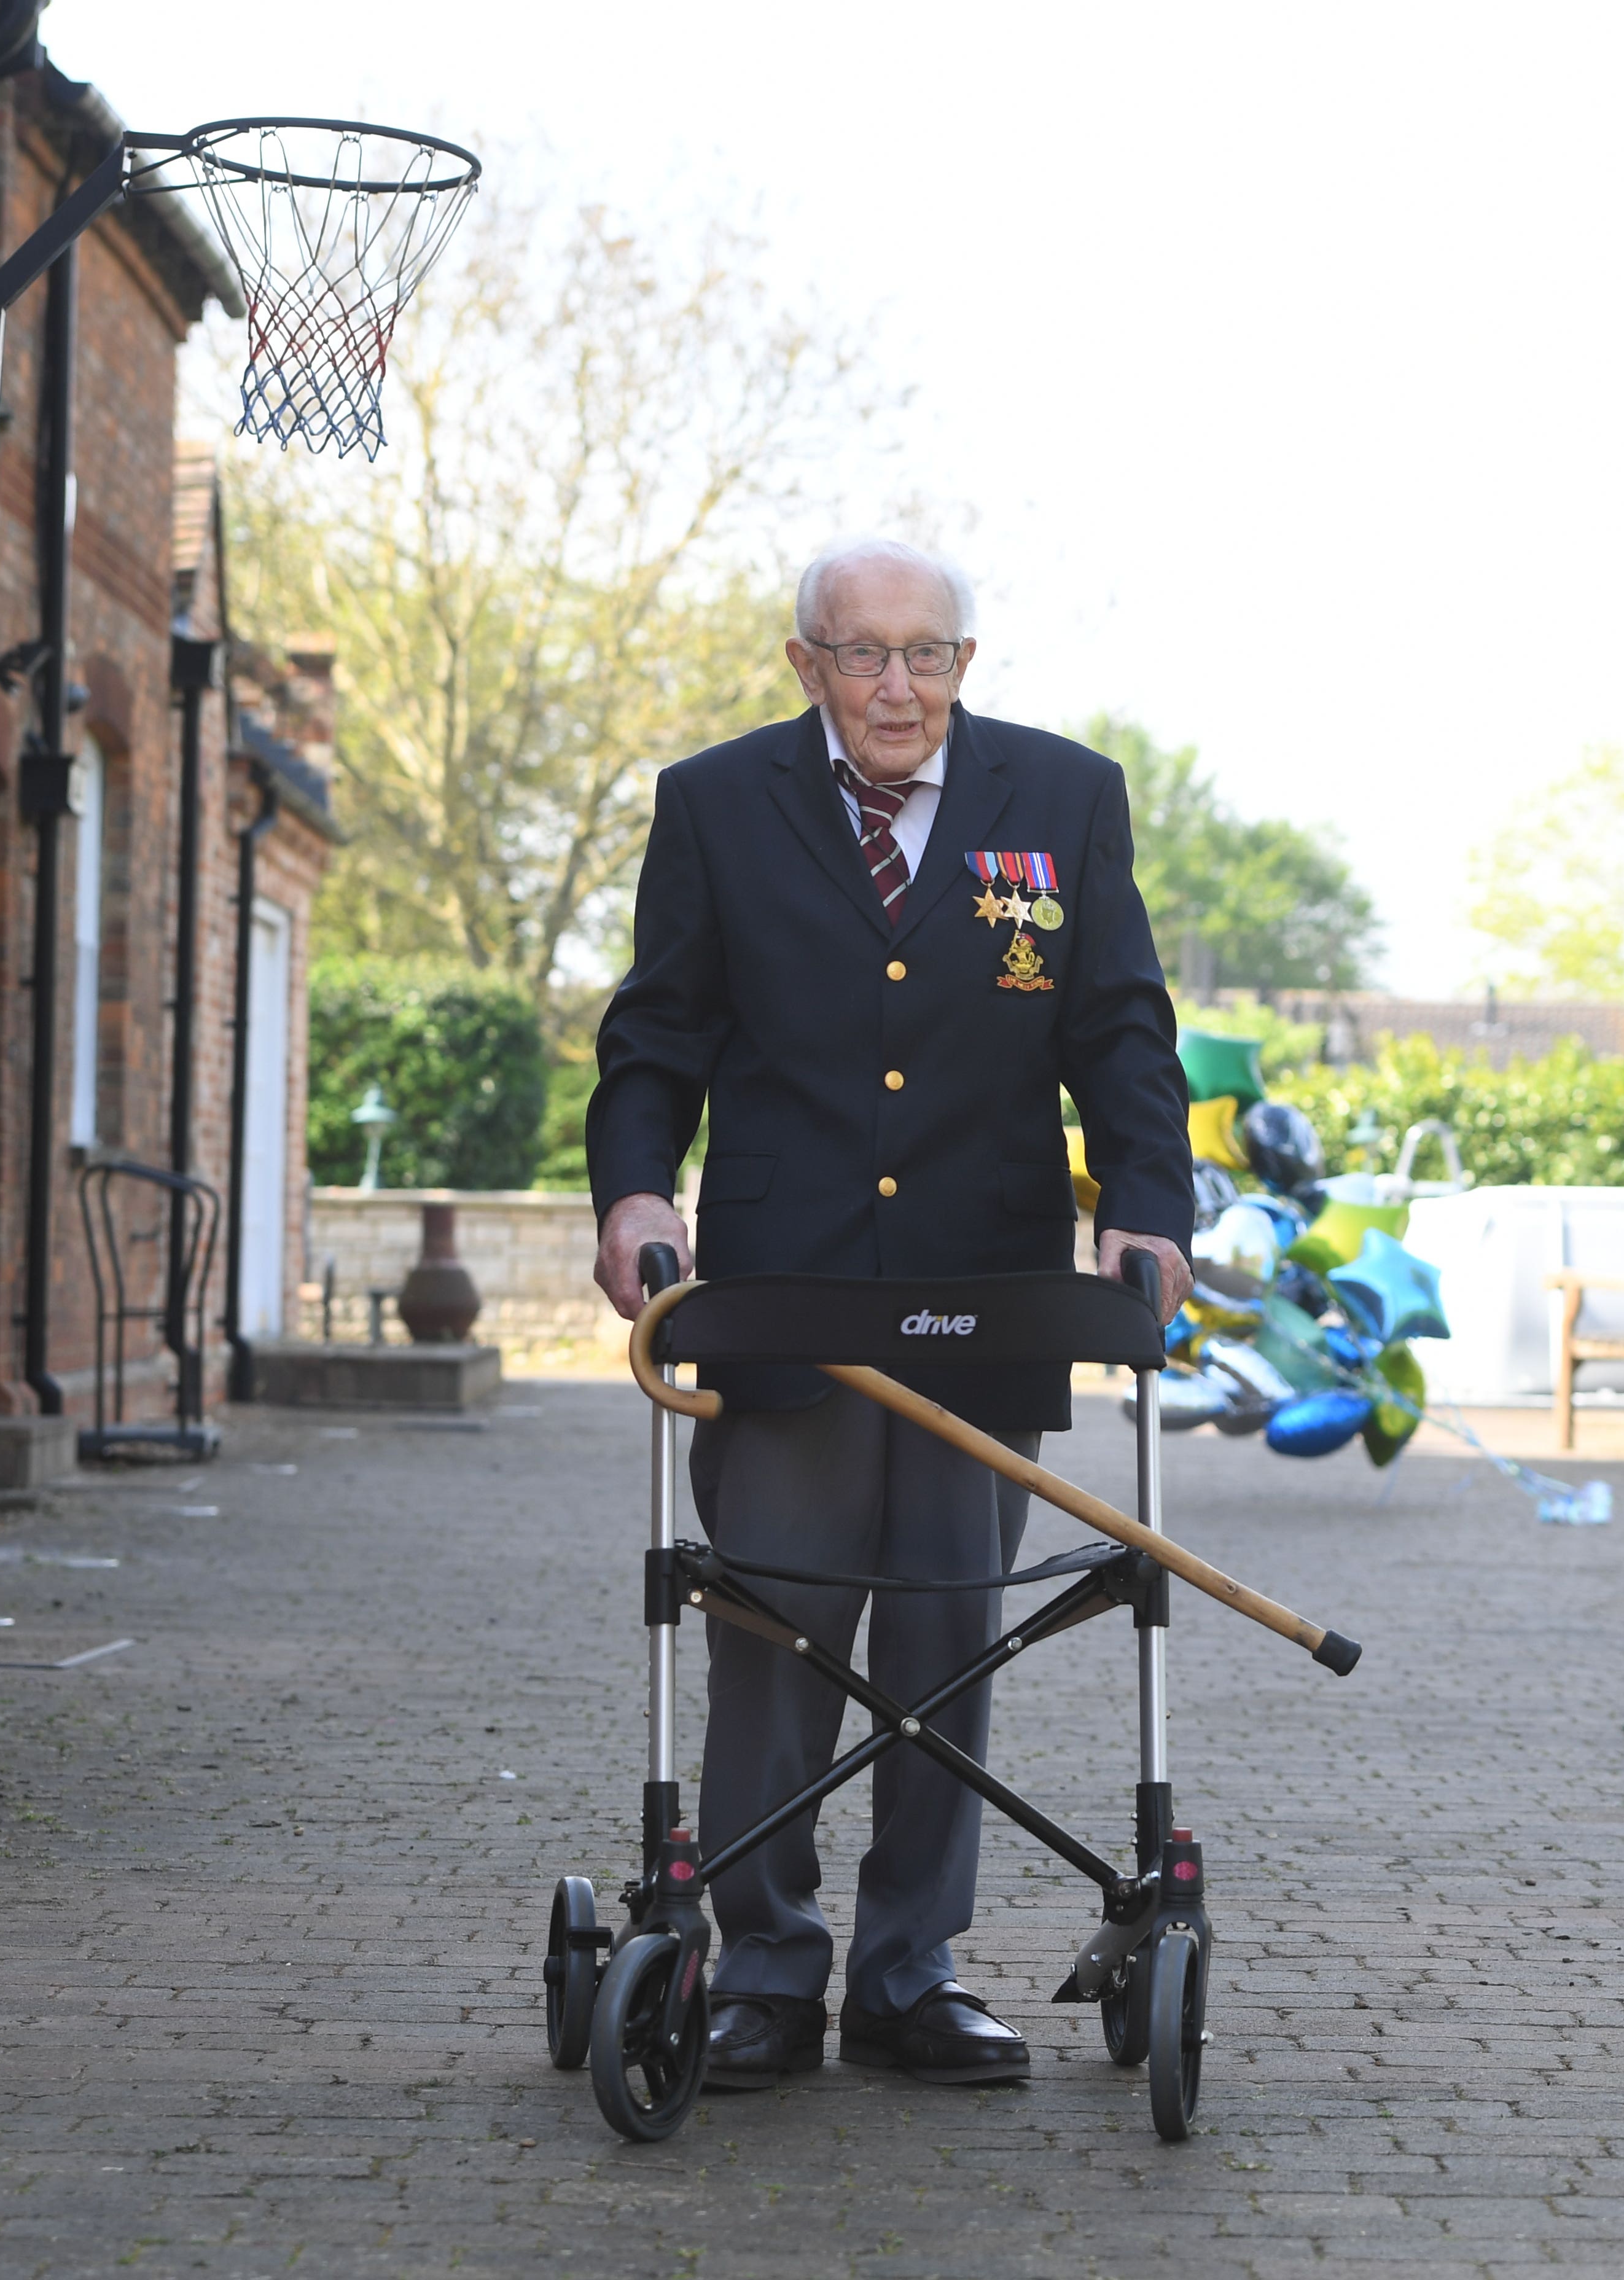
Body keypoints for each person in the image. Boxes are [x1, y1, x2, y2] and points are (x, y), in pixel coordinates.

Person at [587, 536, 1197, 2090]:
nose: (897, 685)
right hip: (782, 1296)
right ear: (807, 665)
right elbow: (657, 1033)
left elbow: (1120, 1023)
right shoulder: (716, 802)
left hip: (987, 1289)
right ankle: (769, 1971)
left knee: (944, 1638)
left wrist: (1145, 1201)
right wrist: (636, 1194)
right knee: (775, 1637)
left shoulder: (1063, 801)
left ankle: (909, 1971)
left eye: (927, 654)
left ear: (966, 667)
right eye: (863, 653)